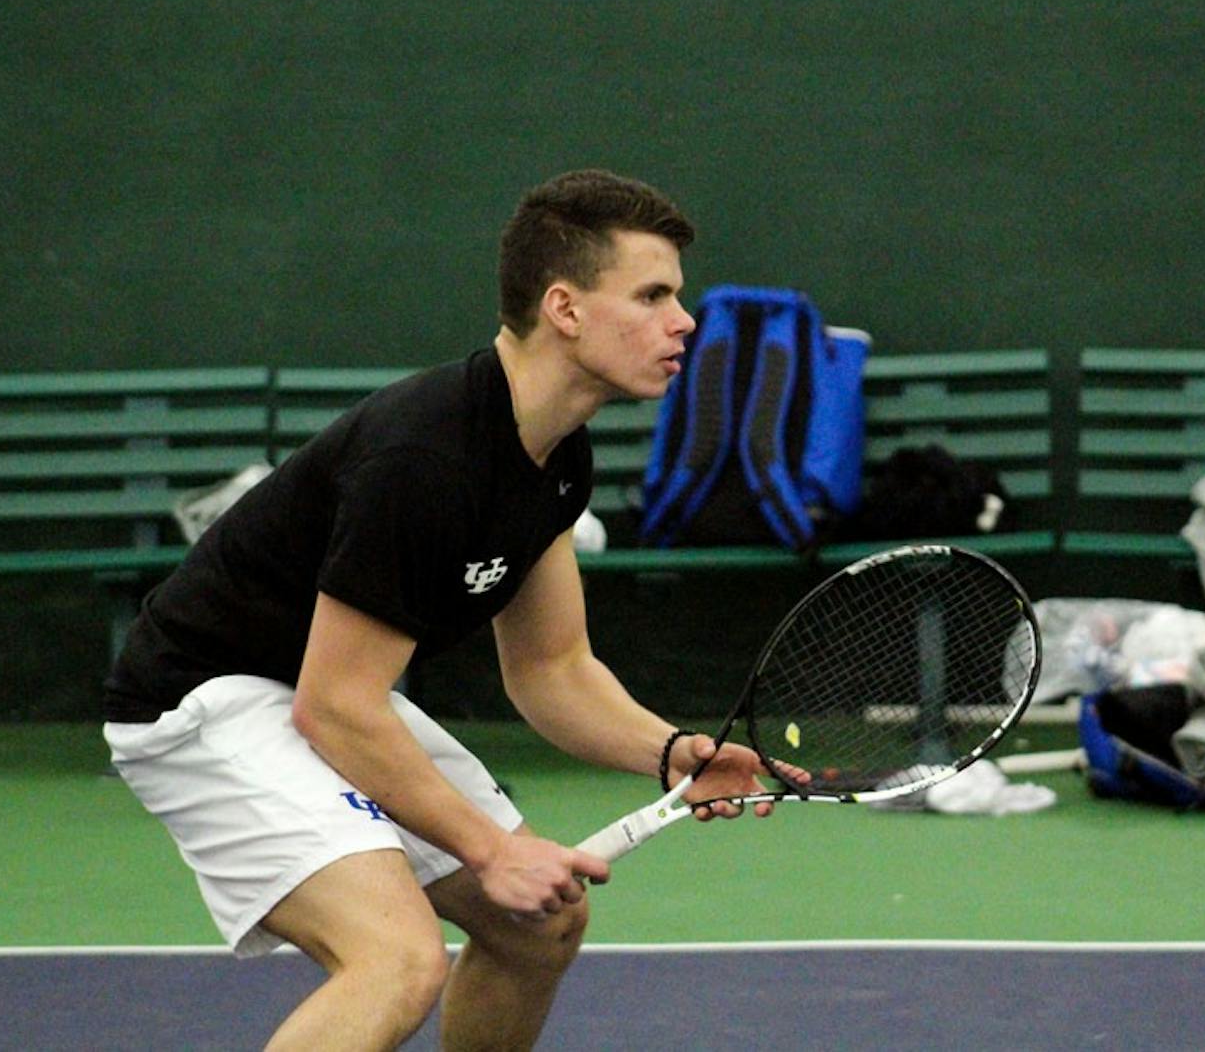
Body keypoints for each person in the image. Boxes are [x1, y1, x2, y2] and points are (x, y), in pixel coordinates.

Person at [103, 169, 780, 1051]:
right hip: (203, 696)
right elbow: (335, 705)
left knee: (540, 926)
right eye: (652, 295)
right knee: (396, 961)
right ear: (566, 308)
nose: (682, 319)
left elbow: (552, 669)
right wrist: (496, 852)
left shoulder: (556, 455)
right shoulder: (425, 458)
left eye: (675, 297)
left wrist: (668, 751)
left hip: (312, 693)